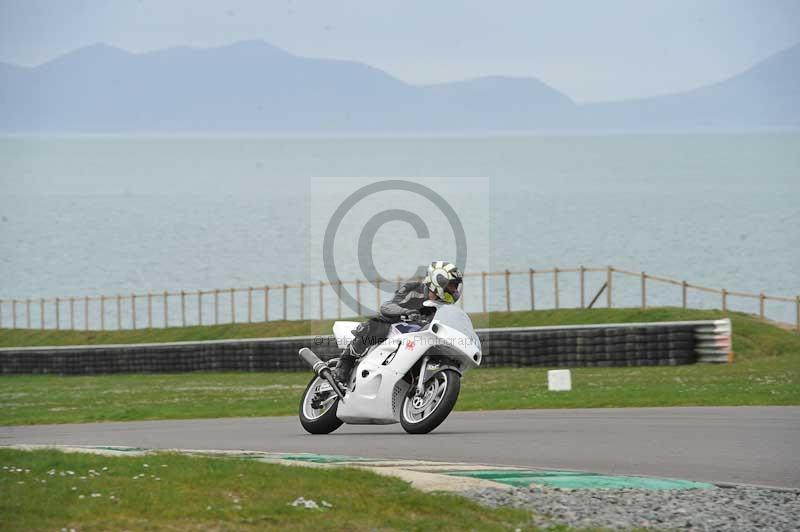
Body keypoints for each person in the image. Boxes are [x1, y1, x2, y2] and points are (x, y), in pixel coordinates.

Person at [335, 261, 464, 383]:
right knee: (377, 326)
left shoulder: (444, 308)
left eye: (455, 286)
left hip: (415, 337)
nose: (454, 290)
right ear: (438, 281)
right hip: (392, 327)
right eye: (452, 285)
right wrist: (406, 311)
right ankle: (346, 361)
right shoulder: (413, 289)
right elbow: (387, 306)